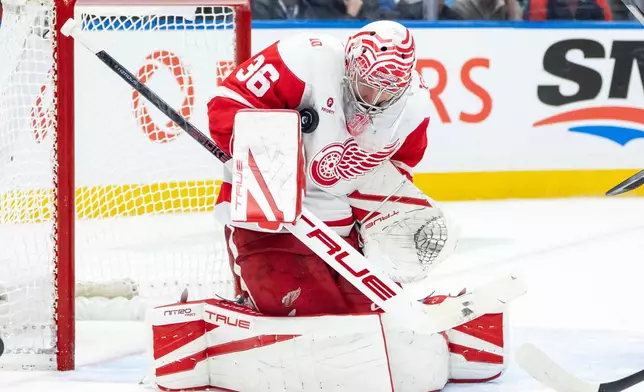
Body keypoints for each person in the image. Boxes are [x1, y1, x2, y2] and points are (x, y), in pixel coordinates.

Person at [147, 21, 519, 392]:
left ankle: (431, 311)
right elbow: (226, 106)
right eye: (367, 84)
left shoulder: (413, 109)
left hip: (343, 233)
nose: (374, 98)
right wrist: (272, 160)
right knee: (307, 314)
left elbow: (392, 180)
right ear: (350, 65)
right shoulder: (304, 58)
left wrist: (377, 230)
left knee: (363, 322)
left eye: (388, 90)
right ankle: (207, 313)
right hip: (268, 225)